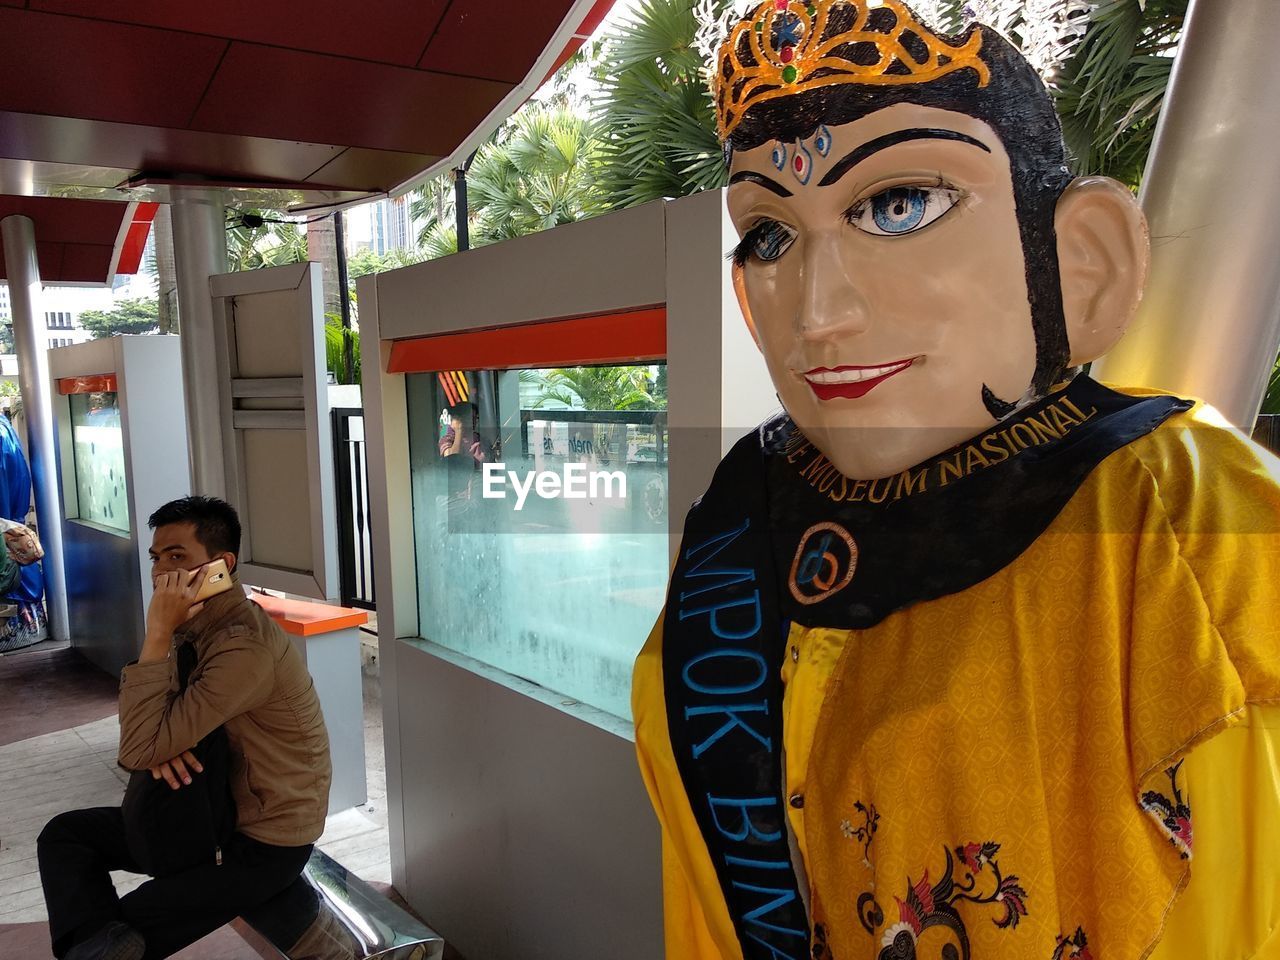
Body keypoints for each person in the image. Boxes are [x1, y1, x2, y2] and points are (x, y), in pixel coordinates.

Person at [632, 3, 1280, 959]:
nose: (819, 310)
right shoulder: (749, 501)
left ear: (1082, 260)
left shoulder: (1192, 522)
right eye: (770, 235)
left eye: (898, 205)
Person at [37, 496, 332, 960]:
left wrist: (155, 639)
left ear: (222, 564)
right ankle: (100, 946)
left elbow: (137, 747)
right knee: (66, 837)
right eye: (157, 558)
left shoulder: (241, 645)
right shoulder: (197, 624)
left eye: (178, 557)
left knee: (118, 935)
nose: (160, 574)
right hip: (206, 814)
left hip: (258, 841)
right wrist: (164, 740)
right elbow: (150, 736)